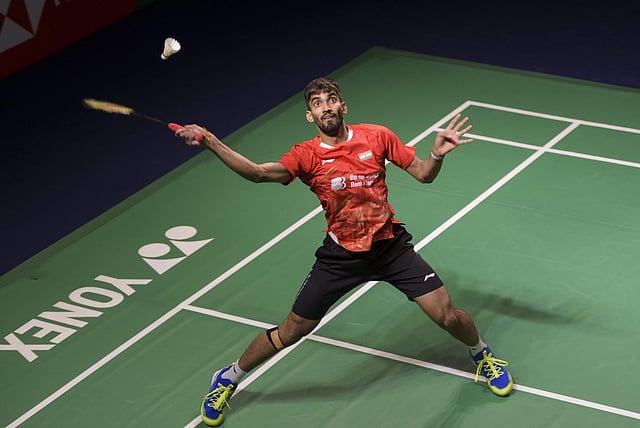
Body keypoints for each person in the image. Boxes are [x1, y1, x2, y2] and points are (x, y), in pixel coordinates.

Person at [175, 77, 513, 427]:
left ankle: (481, 354)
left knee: (447, 316)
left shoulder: (377, 136)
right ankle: (228, 377)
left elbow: (424, 174)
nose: (326, 106)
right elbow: (259, 173)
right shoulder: (306, 155)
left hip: (389, 247)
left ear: (343, 106)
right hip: (341, 257)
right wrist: (211, 141)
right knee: (292, 330)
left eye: (331, 99)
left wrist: (437, 154)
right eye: (317, 103)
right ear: (310, 116)